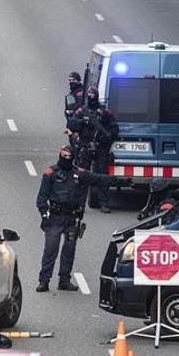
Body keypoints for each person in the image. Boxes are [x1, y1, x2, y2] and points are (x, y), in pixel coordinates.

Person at [36, 146, 131, 292]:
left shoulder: (79, 173)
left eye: (69, 156)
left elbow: (100, 179)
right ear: (59, 156)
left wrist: (123, 181)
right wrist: (44, 215)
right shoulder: (51, 173)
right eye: (64, 156)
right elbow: (42, 197)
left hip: (71, 218)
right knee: (50, 250)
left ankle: (64, 280)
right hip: (55, 218)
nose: (66, 159)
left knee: (69, 251)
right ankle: (44, 281)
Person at [67, 87, 121, 212]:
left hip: (100, 148)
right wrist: (83, 122)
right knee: (82, 176)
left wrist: (106, 139)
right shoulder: (82, 111)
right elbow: (71, 125)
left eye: (93, 94)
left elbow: (114, 129)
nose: (91, 96)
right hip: (85, 147)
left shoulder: (105, 112)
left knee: (102, 176)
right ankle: (79, 204)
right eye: (89, 94)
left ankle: (104, 203)